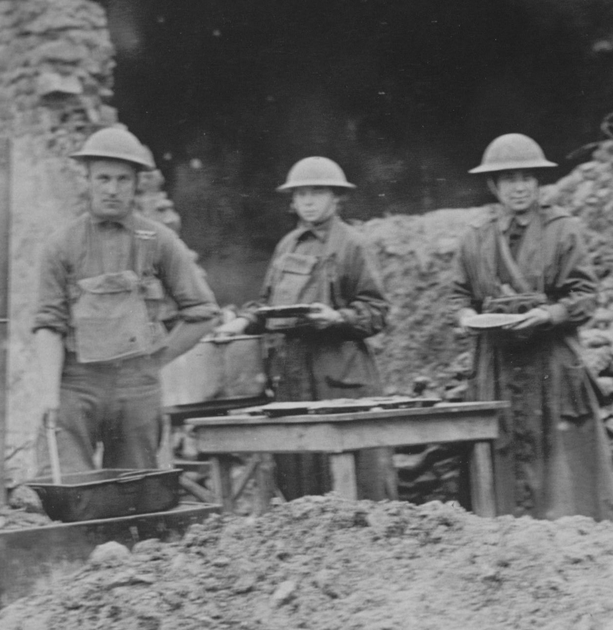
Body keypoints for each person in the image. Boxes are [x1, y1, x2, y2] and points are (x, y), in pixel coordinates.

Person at [450, 133, 613, 520]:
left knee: (563, 469)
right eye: (509, 179)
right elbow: (458, 295)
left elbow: (586, 295)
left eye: (527, 178)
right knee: (500, 452)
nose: (519, 188)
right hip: (496, 365)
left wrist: (551, 314)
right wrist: (465, 317)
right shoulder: (475, 239)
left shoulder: (562, 230)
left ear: (538, 183)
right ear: (493, 186)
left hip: (550, 364)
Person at [34, 126, 220, 474]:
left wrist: (157, 359)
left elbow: (204, 312)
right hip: (77, 382)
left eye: (123, 179)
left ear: (136, 183)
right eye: (103, 178)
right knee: (71, 489)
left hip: (137, 383)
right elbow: (48, 323)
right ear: (86, 179)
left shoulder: (159, 241)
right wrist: (49, 394)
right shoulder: (61, 245)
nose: (112, 189)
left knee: (136, 490)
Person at [214, 157, 395, 501]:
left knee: (354, 477)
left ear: (336, 197)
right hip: (293, 376)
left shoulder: (353, 244)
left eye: (318, 192)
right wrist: (242, 322)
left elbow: (378, 311)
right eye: (301, 194)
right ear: (292, 201)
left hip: (339, 377)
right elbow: (266, 305)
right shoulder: (287, 247)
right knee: (299, 473)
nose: (309, 201)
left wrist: (338, 318)